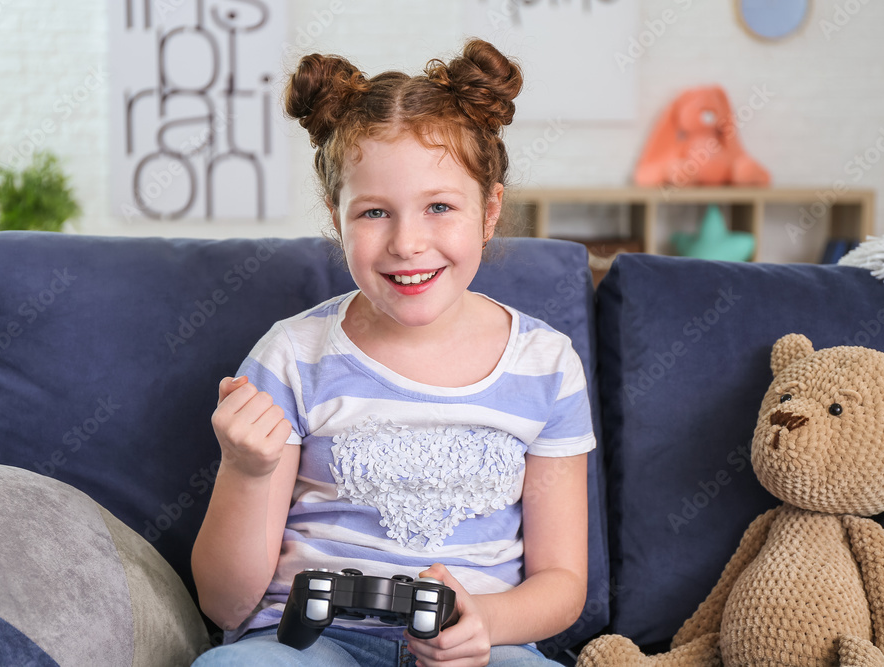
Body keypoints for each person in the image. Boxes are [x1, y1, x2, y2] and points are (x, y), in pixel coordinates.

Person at [190, 38, 595, 667]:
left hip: (479, 648)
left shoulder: (546, 364)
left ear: (489, 212)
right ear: (336, 216)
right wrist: (245, 470)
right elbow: (224, 604)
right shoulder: (293, 357)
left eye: (439, 207)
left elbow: (563, 585)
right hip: (310, 642)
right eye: (375, 212)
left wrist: (484, 620)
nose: (408, 243)